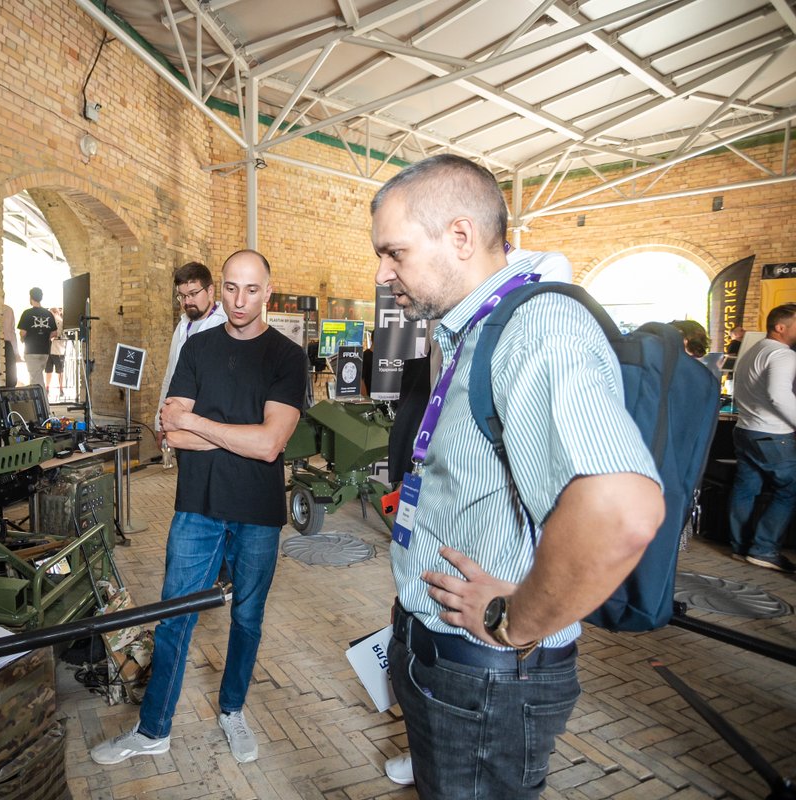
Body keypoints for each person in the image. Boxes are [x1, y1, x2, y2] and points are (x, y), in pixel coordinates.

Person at [371, 154, 663, 798]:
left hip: (489, 673)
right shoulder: (467, 329)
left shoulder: (538, 328)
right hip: (441, 655)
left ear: (460, 237)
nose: (382, 273)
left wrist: (515, 619)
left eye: (393, 252)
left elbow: (620, 509)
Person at [90, 249, 306, 767]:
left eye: (252, 290)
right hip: (198, 507)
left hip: (256, 511)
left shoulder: (286, 357)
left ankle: (232, 710)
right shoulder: (197, 347)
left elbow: (270, 445)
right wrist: (234, 434)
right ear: (220, 288)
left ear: (267, 294)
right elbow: (170, 431)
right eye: (231, 287)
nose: (240, 299)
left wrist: (202, 425)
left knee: (247, 620)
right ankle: (153, 729)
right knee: (174, 618)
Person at [727, 303, 796, 572]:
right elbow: (778, 395)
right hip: (773, 434)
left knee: (746, 489)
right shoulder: (783, 355)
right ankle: (764, 550)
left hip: (745, 429)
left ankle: (740, 547)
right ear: (780, 327)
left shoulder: (753, 350)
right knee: (790, 490)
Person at [155, 261, 228, 449]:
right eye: (182, 296)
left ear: (210, 291)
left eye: (193, 294)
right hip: (180, 425)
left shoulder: (226, 324)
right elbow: (170, 376)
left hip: (214, 427)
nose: (187, 302)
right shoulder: (181, 326)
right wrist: (159, 421)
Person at [17, 287, 56, 389]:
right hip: (44, 351)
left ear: (30, 298)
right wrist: (45, 336)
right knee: (37, 376)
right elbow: (54, 333)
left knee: (36, 380)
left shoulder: (27, 313)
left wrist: (22, 338)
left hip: (31, 351)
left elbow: (23, 332)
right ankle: (37, 402)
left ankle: (43, 403)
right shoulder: (48, 314)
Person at [45, 307, 66, 400]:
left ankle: (60, 389)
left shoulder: (60, 321)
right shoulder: (50, 321)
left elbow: (58, 333)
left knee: (59, 371)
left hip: (58, 350)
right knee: (49, 370)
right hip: (51, 349)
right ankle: (47, 388)